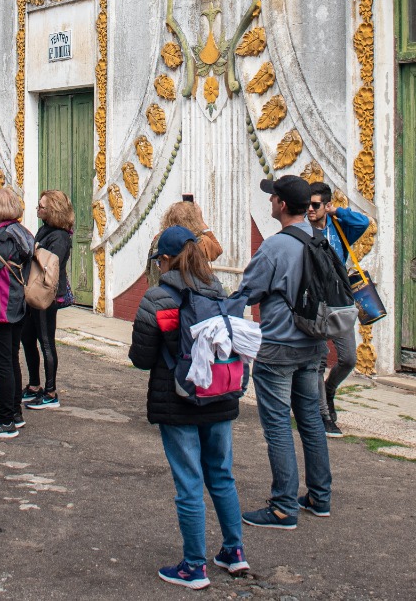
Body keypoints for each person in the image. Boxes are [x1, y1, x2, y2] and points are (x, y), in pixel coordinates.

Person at [131, 225, 248, 590]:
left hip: (178, 399)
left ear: (165, 259)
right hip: (219, 394)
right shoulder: (221, 293)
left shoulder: (157, 298)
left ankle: (194, 566)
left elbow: (141, 357)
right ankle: (234, 551)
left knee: (189, 483)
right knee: (222, 475)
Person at [231, 175, 332, 529]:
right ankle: (320, 497)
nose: (270, 202)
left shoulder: (275, 247)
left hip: (279, 345)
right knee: (310, 421)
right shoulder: (319, 240)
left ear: (283, 205)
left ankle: (283, 506)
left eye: (273, 198)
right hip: (313, 344)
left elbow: (249, 290)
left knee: (277, 426)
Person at [306, 183, 369, 438]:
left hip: (340, 300)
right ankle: (323, 415)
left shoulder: (338, 228)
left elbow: (363, 223)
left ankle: (329, 390)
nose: (310, 209)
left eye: (316, 205)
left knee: (348, 358)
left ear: (326, 205)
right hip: (316, 302)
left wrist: (337, 212)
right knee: (319, 359)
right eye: (308, 205)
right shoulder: (303, 231)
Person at [0, 187, 32, 439]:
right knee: (12, 359)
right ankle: (15, 413)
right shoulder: (22, 233)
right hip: (18, 304)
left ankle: (6, 420)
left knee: (2, 364)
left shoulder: (0, 237)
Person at [20, 189, 74, 410]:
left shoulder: (60, 236)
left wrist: (33, 251)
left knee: (46, 342)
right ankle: (34, 385)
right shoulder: (45, 231)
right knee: (27, 338)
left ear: (53, 210)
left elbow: (52, 263)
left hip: (47, 294)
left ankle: (51, 392)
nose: (38, 209)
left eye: (41, 206)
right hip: (33, 291)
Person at [159, 199, 223, 263]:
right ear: (192, 220)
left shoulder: (160, 239)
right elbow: (218, 250)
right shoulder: (201, 241)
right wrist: (201, 222)